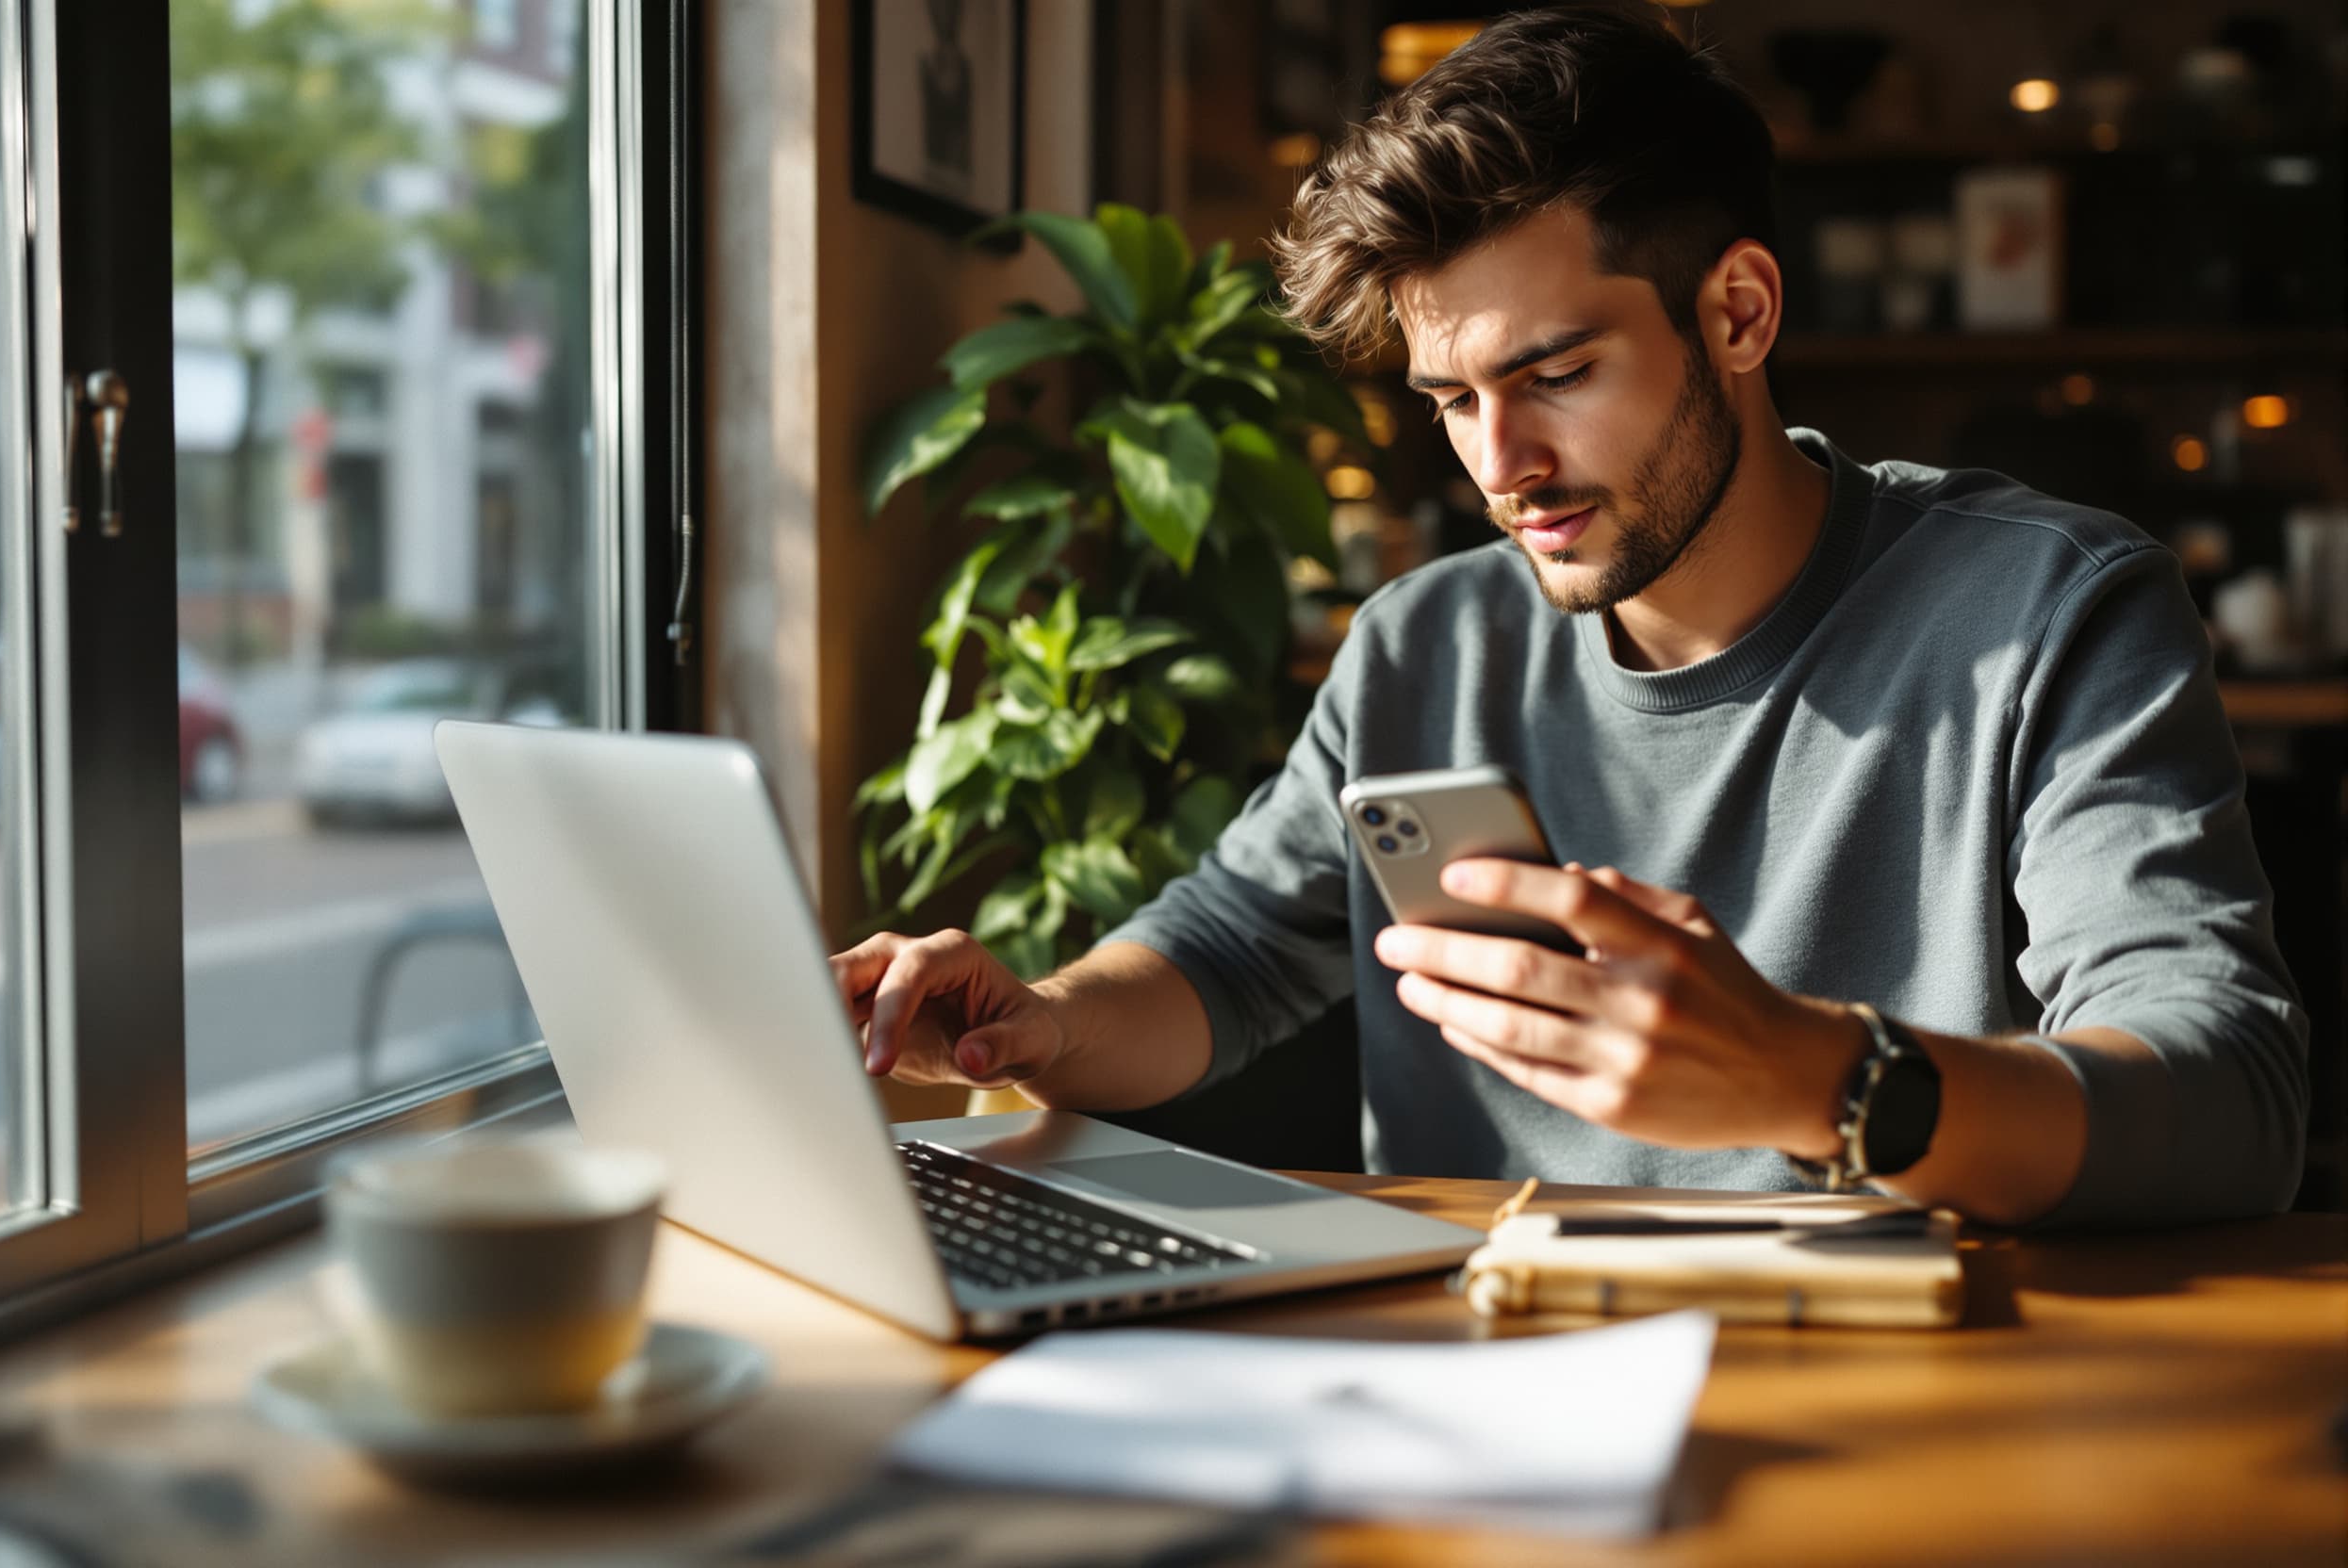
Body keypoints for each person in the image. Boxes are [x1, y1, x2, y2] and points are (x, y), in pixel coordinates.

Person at [832, 3, 2307, 1227]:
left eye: (1554, 375)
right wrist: (1042, 1019)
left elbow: (2225, 1088)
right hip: (1492, 1381)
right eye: (1453, 401)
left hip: (1898, 1380)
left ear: (1736, 313)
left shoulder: (2050, 611)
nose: (1501, 465)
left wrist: (1822, 1082)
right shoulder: (1423, 645)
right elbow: (1232, 950)